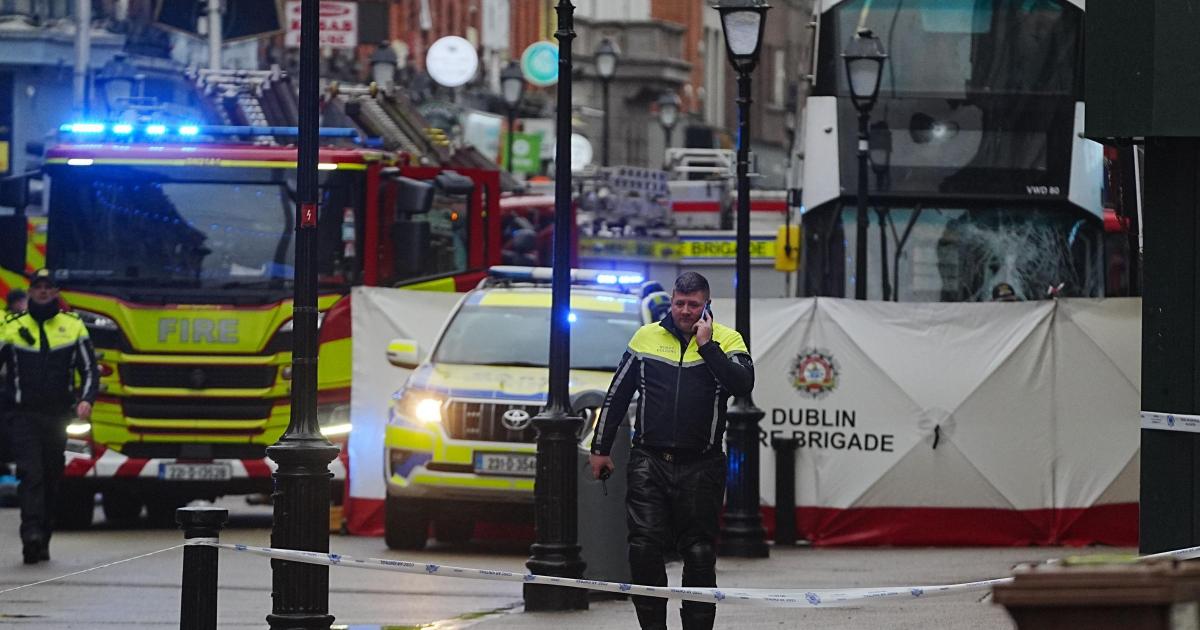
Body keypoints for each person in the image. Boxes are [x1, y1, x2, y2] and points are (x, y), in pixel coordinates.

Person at [589, 271, 754, 630]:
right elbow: (617, 395)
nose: (685, 311)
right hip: (650, 460)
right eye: (679, 303)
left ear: (706, 306)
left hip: (702, 465)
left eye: (693, 305)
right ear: (672, 301)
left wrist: (708, 347)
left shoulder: (728, 340)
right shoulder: (646, 338)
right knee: (644, 549)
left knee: (698, 553)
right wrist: (600, 447)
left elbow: (742, 384)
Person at [0, 269, 99, 564]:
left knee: (52, 475)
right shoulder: (12, 327)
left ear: (56, 292)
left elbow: (90, 369)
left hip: (59, 416)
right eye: (38, 287)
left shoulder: (73, 326)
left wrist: (86, 400)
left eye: (48, 287)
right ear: (30, 292)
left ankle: (43, 533)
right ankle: (30, 534)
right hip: (23, 415)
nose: (43, 292)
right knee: (30, 474)